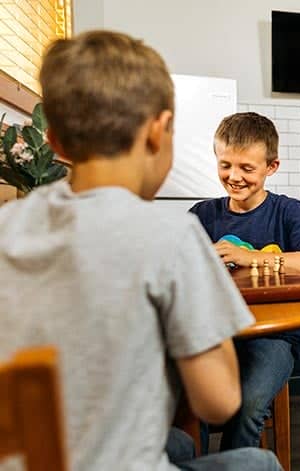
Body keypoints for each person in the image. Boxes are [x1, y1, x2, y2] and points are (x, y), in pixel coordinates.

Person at [0, 31, 280, 471]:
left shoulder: (7, 226)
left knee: (180, 445)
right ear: (158, 132)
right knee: (258, 463)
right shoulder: (173, 234)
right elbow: (219, 402)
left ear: (55, 143)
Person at [189, 112, 300, 450]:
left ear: (272, 167)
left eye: (247, 168)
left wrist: (251, 257)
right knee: (188, 400)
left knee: (250, 405)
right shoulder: (202, 214)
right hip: (216, 333)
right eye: (225, 165)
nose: (234, 177)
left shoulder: (287, 211)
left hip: (275, 337)